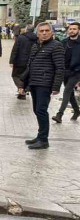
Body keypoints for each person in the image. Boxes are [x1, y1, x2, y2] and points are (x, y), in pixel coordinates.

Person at [22, 22, 65, 150]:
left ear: (52, 32)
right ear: (37, 33)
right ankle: (40, 136)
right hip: (35, 82)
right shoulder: (35, 46)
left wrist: (56, 86)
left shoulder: (56, 46)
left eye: (47, 30)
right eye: (41, 31)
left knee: (41, 110)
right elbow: (30, 66)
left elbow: (60, 68)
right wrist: (26, 84)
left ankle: (43, 140)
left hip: (45, 84)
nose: (44, 33)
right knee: (37, 110)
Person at [54, 22, 80, 123]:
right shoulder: (64, 42)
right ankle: (77, 111)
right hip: (64, 71)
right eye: (70, 29)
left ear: (78, 30)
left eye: (74, 29)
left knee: (67, 91)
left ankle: (59, 114)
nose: (72, 30)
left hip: (76, 72)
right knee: (70, 93)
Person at [10, 24, 36, 99]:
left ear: (26, 29)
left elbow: (15, 49)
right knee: (26, 76)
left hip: (19, 61)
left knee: (15, 76)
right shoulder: (36, 38)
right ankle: (23, 91)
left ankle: (21, 89)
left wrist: (11, 61)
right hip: (31, 61)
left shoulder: (21, 37)